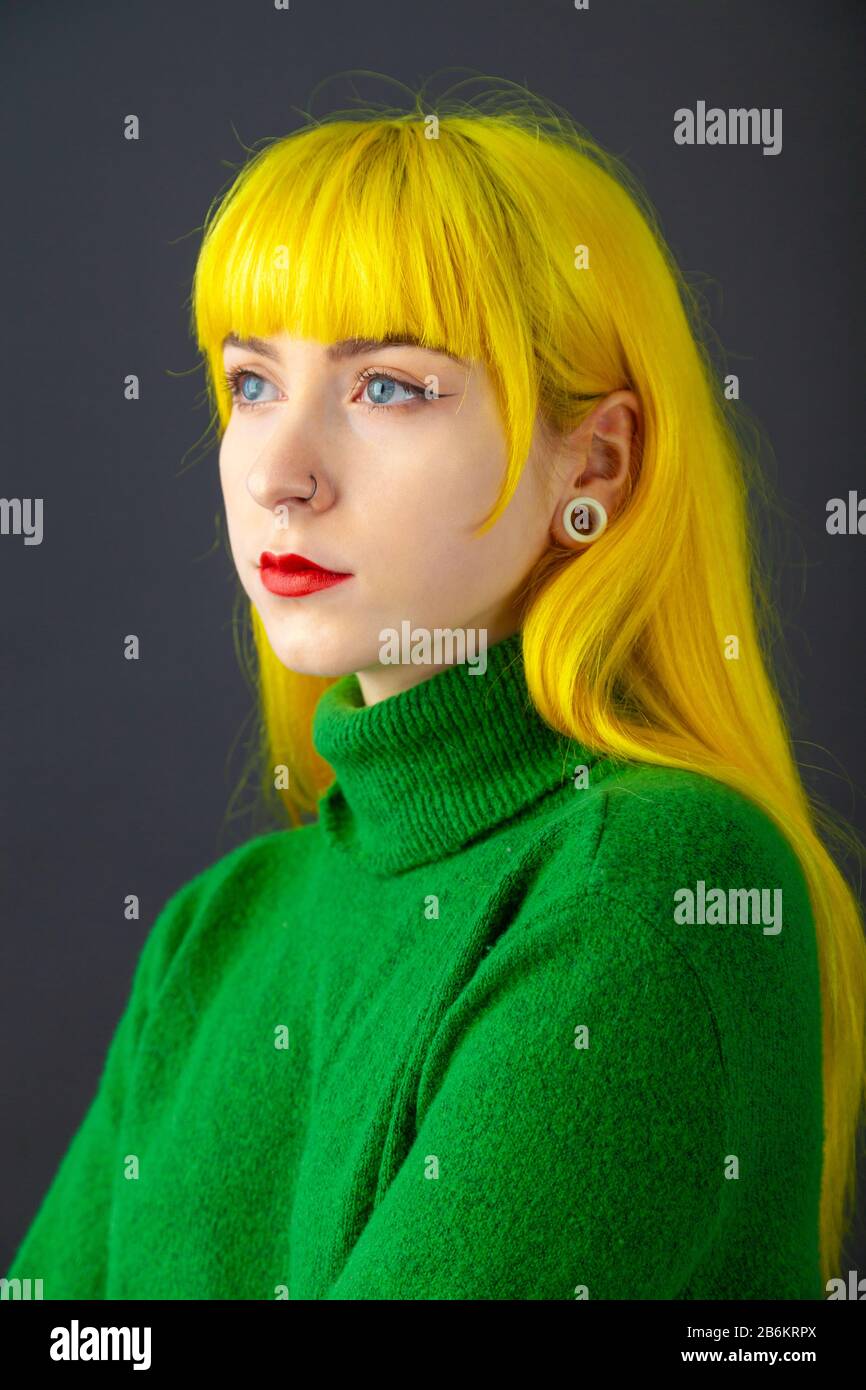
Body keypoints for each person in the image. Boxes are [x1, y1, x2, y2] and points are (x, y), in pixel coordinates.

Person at [6, 80, 865, 1300]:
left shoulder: (661, 883)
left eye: (389, 387)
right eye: (251, 383)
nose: (282, 475)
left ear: (597, 463)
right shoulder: (222, 926)